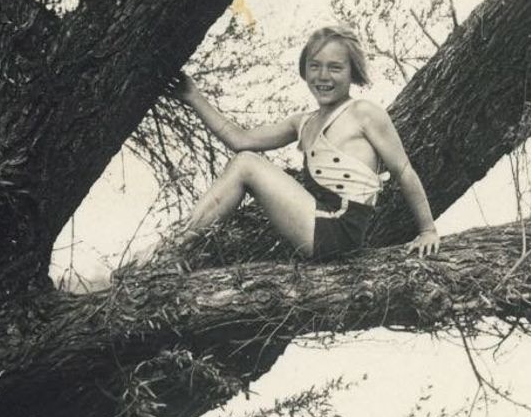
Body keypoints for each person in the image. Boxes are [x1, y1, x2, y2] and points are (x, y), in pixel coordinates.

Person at [170, 24, 440, 259]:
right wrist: (194, 97)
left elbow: (403, 171)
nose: (323, 76)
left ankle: (173, 248)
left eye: (335, 68)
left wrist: (427, 230)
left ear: (352, 72)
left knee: (246, 165)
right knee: (245, 160)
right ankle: (178, 245)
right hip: (319, 226)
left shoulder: (364, 113)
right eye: (315, 66)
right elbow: (240, 139)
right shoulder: (303, 122)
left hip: (338, 230)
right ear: (304, 69)